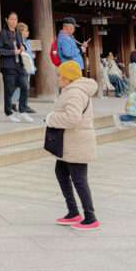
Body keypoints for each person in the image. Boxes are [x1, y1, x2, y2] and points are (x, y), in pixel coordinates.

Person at [46, 60, 100, 231]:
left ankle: (90, 217)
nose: (58, 78)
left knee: (79, 179)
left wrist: (50, 118)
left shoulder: (75, 93)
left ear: (68, 78)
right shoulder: (71, 90)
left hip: (77, 142)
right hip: (69, 142)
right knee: (61, 172)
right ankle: (73, 212)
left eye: (60, 75)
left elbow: (72, 118)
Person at [0, 11, 32, 122]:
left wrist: (23, 47)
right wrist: (12, 52)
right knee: (9, 89)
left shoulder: (18, 33)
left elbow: (21, 44)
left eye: (15, 19)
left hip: (20, 64)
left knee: (25, 86)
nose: (14, 21)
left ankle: (22, 111)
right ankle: (8, 112)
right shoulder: (2, 33)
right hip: (8, 66)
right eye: (11, 19)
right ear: (7, 20)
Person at [12, 22, 36, 114]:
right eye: (26, 31)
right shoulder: (17, 42)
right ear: (21, 32)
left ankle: (13, 102)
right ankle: (23, 105)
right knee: (24, 86)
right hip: (22, 67)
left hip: (28, 66)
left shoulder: (26, 42)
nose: (28, 32)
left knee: (21, 86)